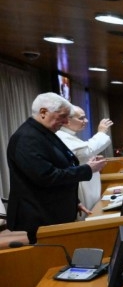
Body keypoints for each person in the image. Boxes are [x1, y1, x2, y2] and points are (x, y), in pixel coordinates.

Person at [7, 93, 107, 242]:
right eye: (62, 116)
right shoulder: (27, 138)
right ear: (43, 113)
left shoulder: (44, 133)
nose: (66, 121)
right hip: (40, 217)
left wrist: (73, 200)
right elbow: (47, 176)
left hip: (52, 212)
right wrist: (87, 169)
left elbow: (63, 163)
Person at [56, 106, 113, 217]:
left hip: (87, 181)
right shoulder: (61, 136)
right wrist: (101, 132)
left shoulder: (70, 135)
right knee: (89, 215)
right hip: (80, 182)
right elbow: (87, 150)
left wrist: (91, 159)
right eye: (81, 118)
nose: (86, 121)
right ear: (67, 120)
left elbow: (81, 156)